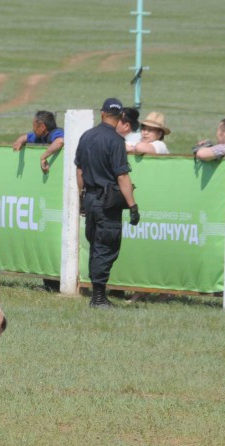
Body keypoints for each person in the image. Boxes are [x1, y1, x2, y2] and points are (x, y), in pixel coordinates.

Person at [75, 98, 139, 309]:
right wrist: (133, 207)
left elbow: (80, 172)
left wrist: (82, 199)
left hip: (90, 197)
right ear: (121, 117)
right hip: (108, 202)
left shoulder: (86, 136)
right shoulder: (116, 141)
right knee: (106, 246)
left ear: (102, 113)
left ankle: (98, 295)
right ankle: (99, 298)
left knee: (95, 245)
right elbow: (122, 177)